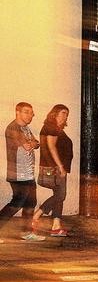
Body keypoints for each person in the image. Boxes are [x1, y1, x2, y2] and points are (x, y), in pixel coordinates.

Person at [0, 102, 45, 242]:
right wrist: (31, 143)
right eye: (26, 112)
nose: (30, 115)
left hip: (28, 173)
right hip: (18, 173)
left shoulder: (25, 128)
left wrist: (33, 143)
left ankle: (26, 232)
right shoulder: (13, 128)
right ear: (17, 112)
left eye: (31, 112)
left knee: (30, 203)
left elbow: (36, 143)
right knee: (17, 203)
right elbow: (26, 145)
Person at [33, 104, 73, 237]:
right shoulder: (51, 127)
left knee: (59, 196)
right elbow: (51, 147)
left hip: (57, 167)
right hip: (55, 168)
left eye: (66, 114)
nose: (65, 116)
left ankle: (56, 226)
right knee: (61, 195)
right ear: (54, 113)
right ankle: (36, 216)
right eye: (62, 113)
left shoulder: (56, 128)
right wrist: (61, 167)